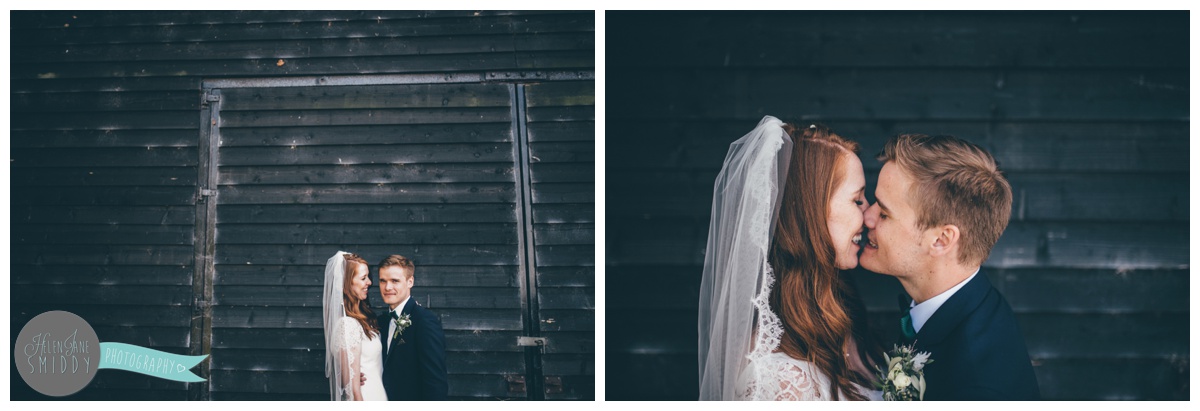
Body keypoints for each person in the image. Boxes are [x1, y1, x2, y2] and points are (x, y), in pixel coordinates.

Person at [699, 116, 882, 401]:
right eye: (857, 200)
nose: (869, 215)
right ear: (810, 213)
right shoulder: (778, 382)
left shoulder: (840, 317)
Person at [860, 134, 1040, 400]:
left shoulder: (976, 389)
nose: (867, 216)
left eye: (884, 213)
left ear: (941, 240)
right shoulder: (968, 301)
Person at [376, 255, 449, 400]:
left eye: (394, 281)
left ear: (410, 281)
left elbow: (435, 382)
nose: (387, 287)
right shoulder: (382, 321)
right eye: (383, 281)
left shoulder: (424, 321)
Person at [322, 251, 388, 400]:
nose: (369, 283)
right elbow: (352, 390)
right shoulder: (347, 325)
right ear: (347, 283)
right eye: (363, 278)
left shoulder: (362, 320)